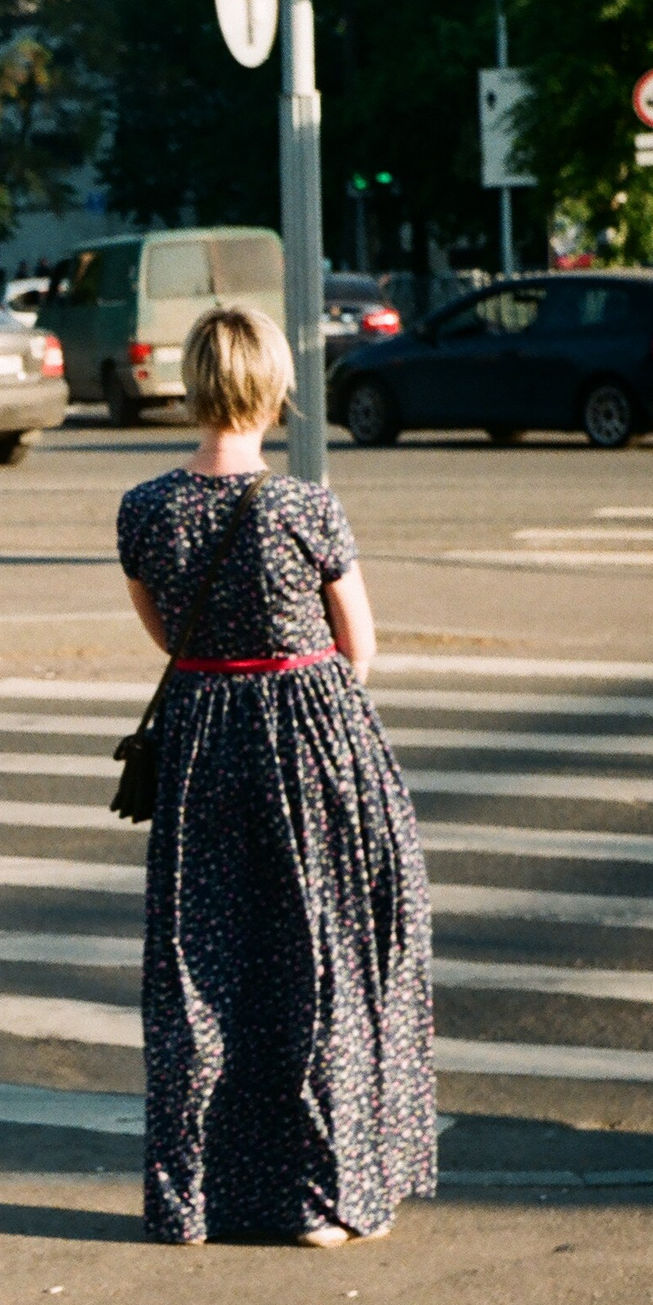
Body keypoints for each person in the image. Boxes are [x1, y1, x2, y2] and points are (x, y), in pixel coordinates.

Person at [113, 305, 434, 1248]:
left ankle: (196, 1200)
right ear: (274, 387)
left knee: (203, 970)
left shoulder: (144, 508)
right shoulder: (306, 506)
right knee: (323, 961)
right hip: (310, 742)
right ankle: (323, 1201)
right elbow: (359, 647)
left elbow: (168, 634)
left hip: (203, 742)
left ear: (191, 384)